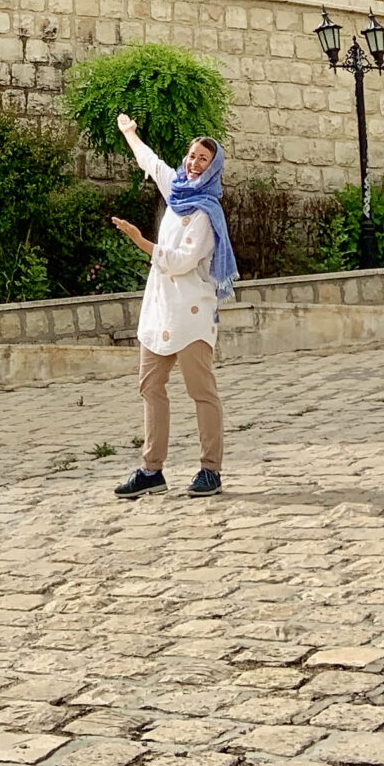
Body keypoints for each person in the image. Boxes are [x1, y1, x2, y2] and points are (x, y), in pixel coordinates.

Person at [107, 111, 235, 499]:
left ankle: (210, 469)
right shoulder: (177, 189)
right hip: (160, 308)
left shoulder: (205, 214)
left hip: (192, 312)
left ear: (213, 170)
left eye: (203, 160)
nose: (194, 163)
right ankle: (152, 469)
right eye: (192, 155)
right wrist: (129, 132)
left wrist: (140, 241)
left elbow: (180, 261)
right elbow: (150, 161)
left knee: (201, 390)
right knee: (150, 385)